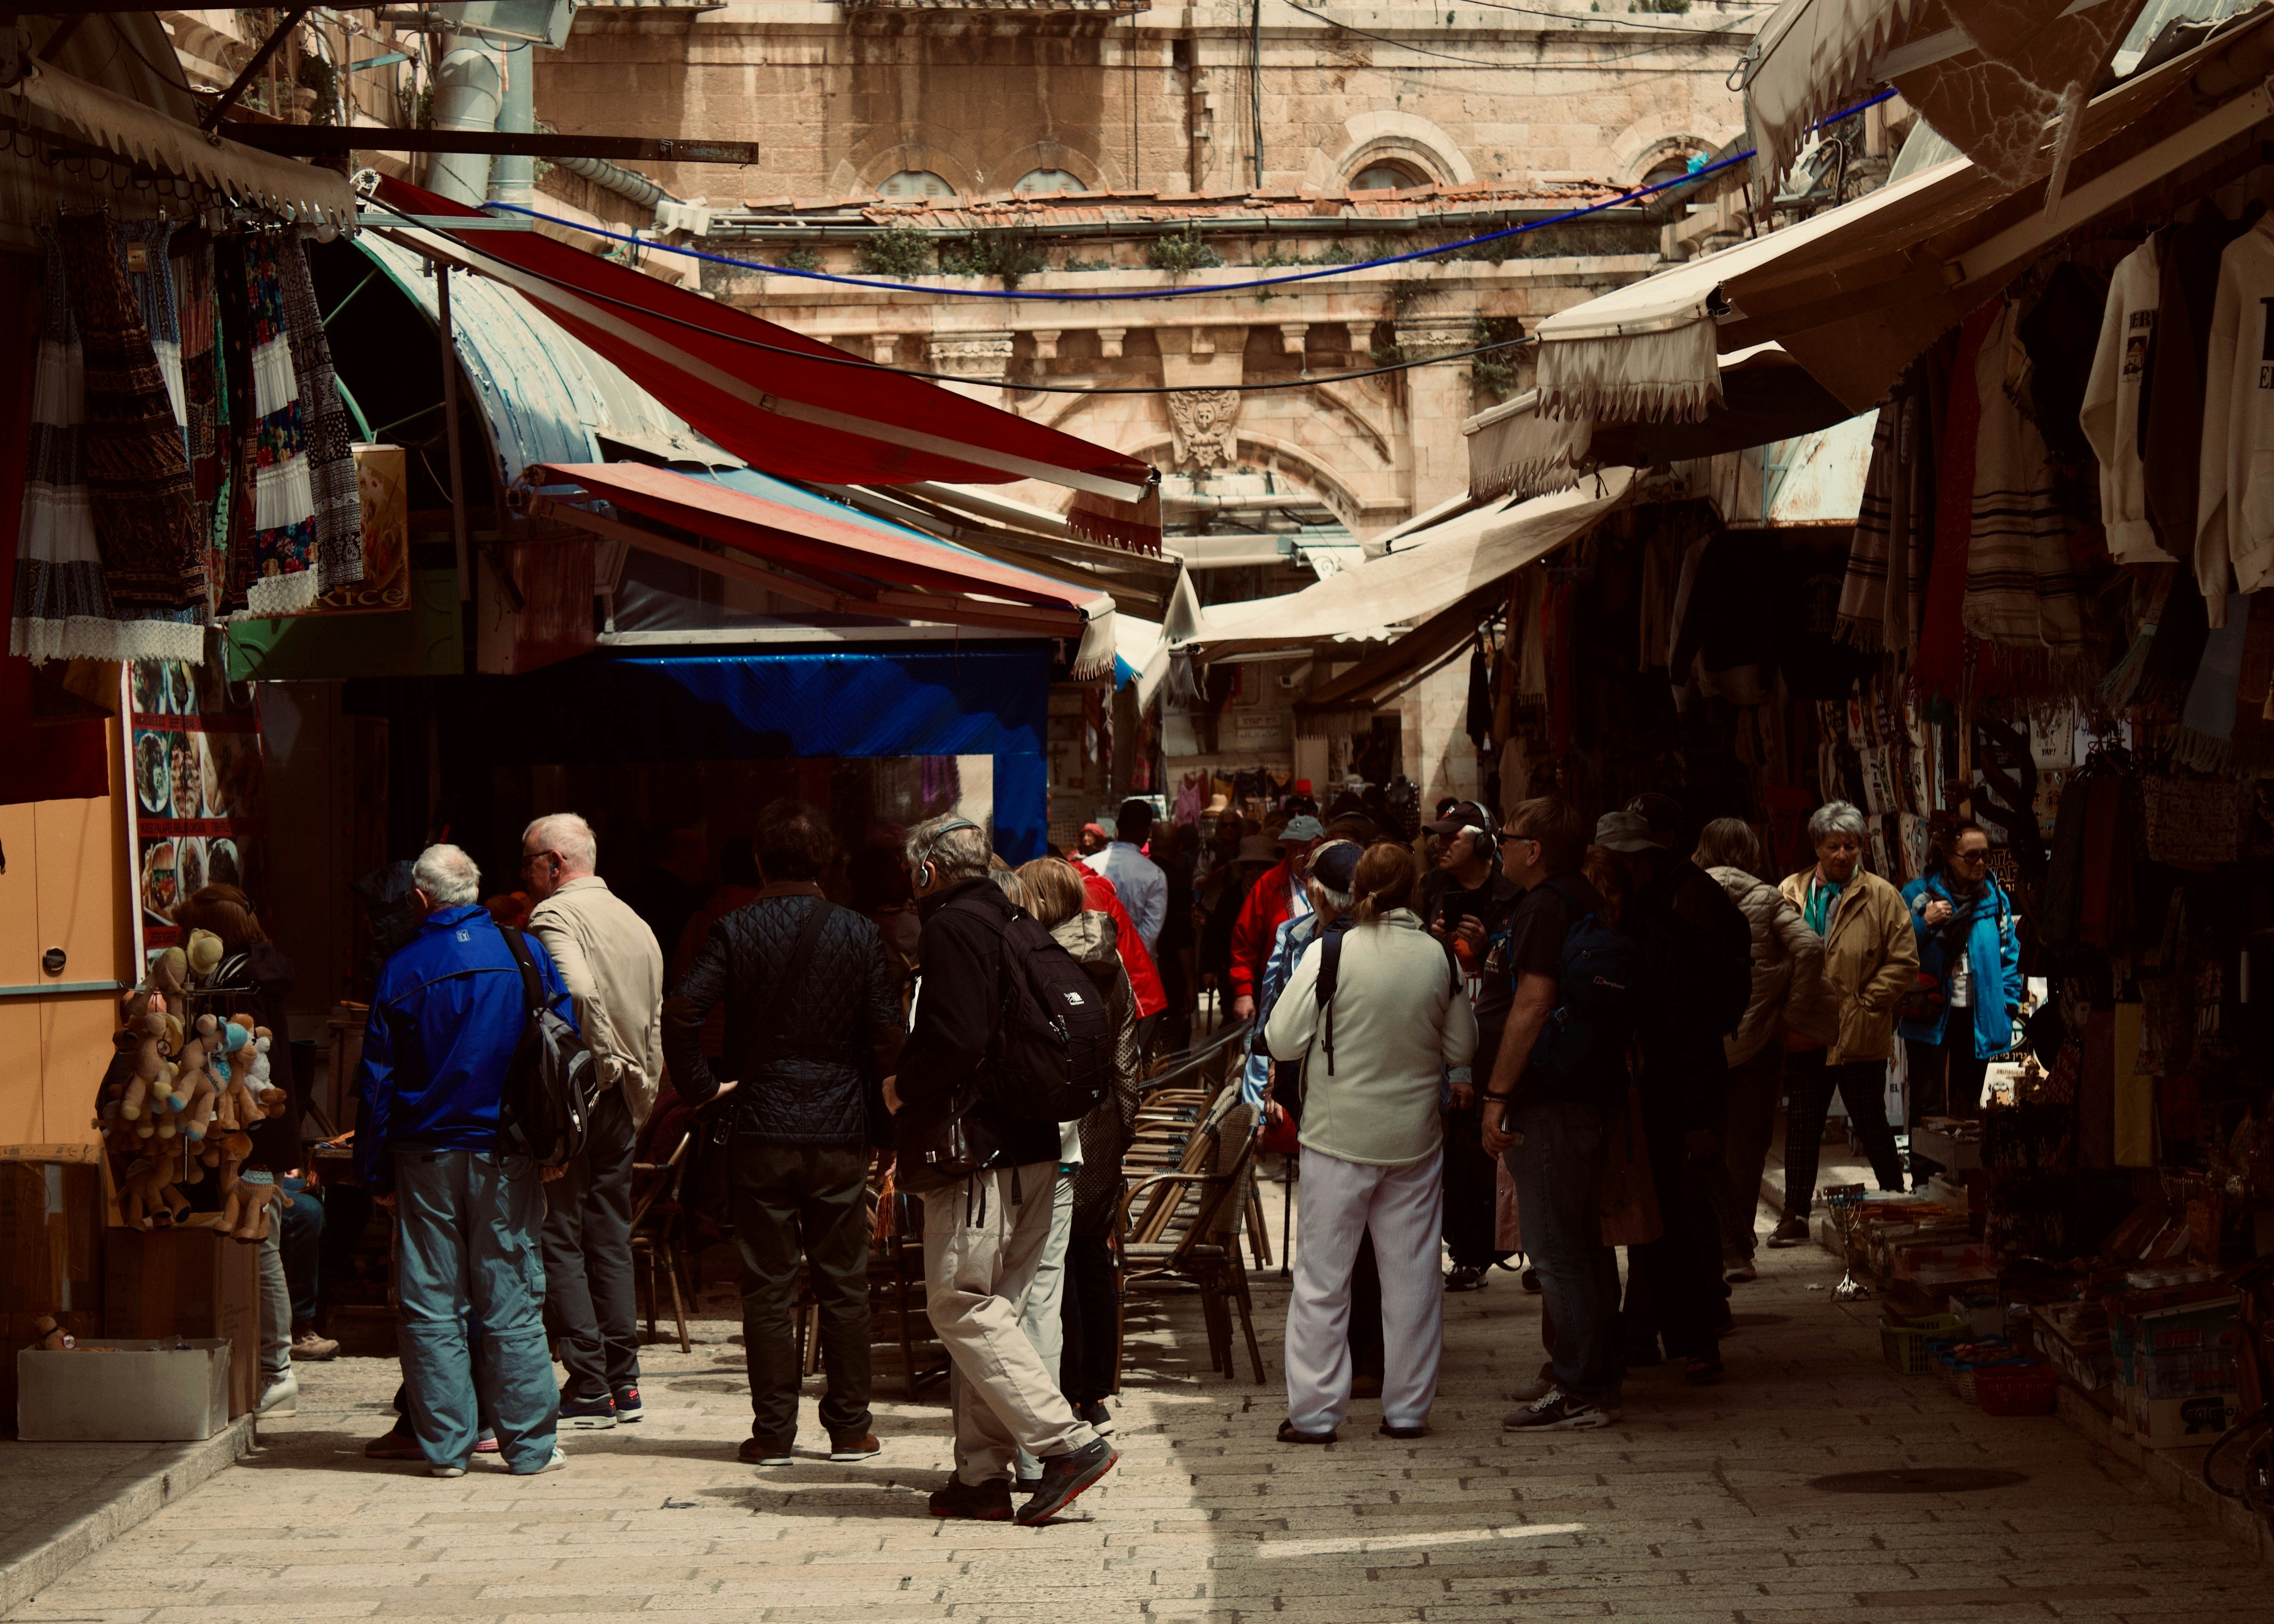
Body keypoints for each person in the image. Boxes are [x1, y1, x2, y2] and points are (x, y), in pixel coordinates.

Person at [886, 815, 1117, 1525]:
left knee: (960, 1303)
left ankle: (1065, 1442)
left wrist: (902, 1084)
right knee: (998, 1309)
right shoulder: (1015, 918)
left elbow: (955, 1037)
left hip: (980, 1151)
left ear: (927, 870)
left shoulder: (954, 926)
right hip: (1036, 1144)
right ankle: (981, 1475)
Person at [664, 799, 902, 1467]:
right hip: (838, 1126)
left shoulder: (735, 928)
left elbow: (683, 1008)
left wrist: (701, 1089)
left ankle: (773, 1433)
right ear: (828, 861)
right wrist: (886, 1130)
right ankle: (851, 1428)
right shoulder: (858, 933)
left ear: (762, 860)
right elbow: (888, 1039)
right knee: (843, 1282)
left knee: (767, 1286)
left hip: (761, 1125)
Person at [354, 844, 570, 1477]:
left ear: (420, 900)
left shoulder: (401, 967)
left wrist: (372, 1173)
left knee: (432, 1301)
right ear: (473, 891)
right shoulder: (525, 952)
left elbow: (377, 1083)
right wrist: (552, 1145)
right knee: (511, 1297)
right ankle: (529, 1446)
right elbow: (563, 1050)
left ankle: (446, 1447)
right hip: (507, 1153)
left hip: (425, 1155)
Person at [1266, 841, 1476, 1444]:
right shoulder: (1438, 955)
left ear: (1356, 889)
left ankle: (1314, 1415)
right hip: (1413, 1136)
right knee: (1412, 1279)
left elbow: (1281, 1039)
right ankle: (1407, 1410)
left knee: (1322, 1282)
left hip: (1336, 1135)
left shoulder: (1330, 949)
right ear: (1413, 890)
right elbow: (1462, 1049)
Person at [1479, 798, 1627, 1433]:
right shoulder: (1579, 898)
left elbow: (1532, 1004)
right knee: (1580, 1245)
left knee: (1556, 1248)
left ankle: (1578, 1387)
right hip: (1585, 1094)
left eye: (1506, 839)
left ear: (1534, 850)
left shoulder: (1544, 906)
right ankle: (1590, 1373)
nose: (1501, 848)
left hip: (1551, 1100)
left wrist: (1497, 1094)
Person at [1592, 807, 1750, 1385]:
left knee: (1669, 1224)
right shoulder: (1637, 924)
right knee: (1654, 1223)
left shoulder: (1660, 932)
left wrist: (1695, 1115)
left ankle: (1690, 1339)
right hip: (1646, 1096)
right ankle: (1649, 1337)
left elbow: (1686, 1031)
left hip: (1663, 1098)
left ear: (1633, 868)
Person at [522, 813, 666, 1431]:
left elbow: (576, 993)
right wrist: (638, 1085)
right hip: (623, 1097)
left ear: (554, 863)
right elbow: (656, 1015)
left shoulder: (554, 916)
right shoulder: (632, 919)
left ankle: (589, 1382)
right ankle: (623, 1381)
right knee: (608, 1236)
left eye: (529, 860)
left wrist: (600, 1062)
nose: (524, 874)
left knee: (561, 1234)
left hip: (584, 1094)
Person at [170, 884, 316, 1406]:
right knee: (258, 1243)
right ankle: (269, 1364)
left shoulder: (231, 984)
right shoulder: (256, 971)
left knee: (261, 1245)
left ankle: (276, 1369)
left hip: (249, 1133)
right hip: (259, 1132)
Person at [1017, 859, 1142, 1439]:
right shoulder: (1110, 960)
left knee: (1053, 1262)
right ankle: (1096, 1392)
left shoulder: (1039, 964)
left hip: (1059, 1122)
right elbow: (1126, 1056)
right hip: (1104, 1125)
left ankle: (1066, 1390)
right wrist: (1122, 1126)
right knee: (1090, 1256)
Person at [1692, 818, 1834, 1282]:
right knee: (1746, 1148)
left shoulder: (1686, 894)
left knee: (1700, 1143)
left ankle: (1703, 1247)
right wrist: (1790, 1009)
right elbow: (1811, 949)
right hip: (1757, 1047)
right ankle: (1736, 1248)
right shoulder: (1767, 897)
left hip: (1699, 1046)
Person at [1770, 801, 1918, 1245]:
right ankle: (1793, 1214)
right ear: (1817, 846)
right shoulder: (1790, 892)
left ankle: (1896, 1200)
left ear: (1861, 848)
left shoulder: (1881, 895)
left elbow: (1904, 960)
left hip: (1860, 1030)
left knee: (1871, 1119)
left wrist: (1869, 1000)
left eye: (1850, 846)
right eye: (1833, 846)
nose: (1841, 855)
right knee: (1803, 1125)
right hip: (1805, 1029)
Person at [1413, 799, 1525, 1292]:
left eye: (1450, 837)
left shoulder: (1513, 895)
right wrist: (1432, 946)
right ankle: (1469, 1251)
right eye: (1436, 837)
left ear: (1480, 843)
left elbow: (1528, 966)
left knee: (1515, 1141)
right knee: (1460, 1152)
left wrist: (1486, 950)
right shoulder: (1429, 891)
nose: (1439, 845)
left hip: (1500, 1032)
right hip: (1447, 1040)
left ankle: (1531, 1245)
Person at [1899, 822, 2022, 1181]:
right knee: (1927, 1102)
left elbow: (2007, 954)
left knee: (1968, 1101)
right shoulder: (1919, 895)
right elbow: (1894, 946)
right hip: (1930, 1012)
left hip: (1978, 1013)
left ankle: (1963, 1180)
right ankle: (1924, 1180)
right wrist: (1924, 923)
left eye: (1985, 854)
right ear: (1948, 858)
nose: (1980, 862)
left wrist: (2008, 1003)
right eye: (1971, 855)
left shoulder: (1994, 899)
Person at [1228, 815, 1327, 1021]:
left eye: (1306, 847)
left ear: (1321, 846)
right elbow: (1244, 942)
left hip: (1328, 987)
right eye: (1292, 848)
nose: (1299, 855)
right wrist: (1244, 992)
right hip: (1281, 993)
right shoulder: (1267, 886)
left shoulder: (1334, 881)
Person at [1080, 798, 1167, 958]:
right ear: (1148, 832)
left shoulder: (1088, 865)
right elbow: (1149, 936)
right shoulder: (1155, 875)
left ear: (1118, 825)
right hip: (1137, 970)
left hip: (1093, 966)